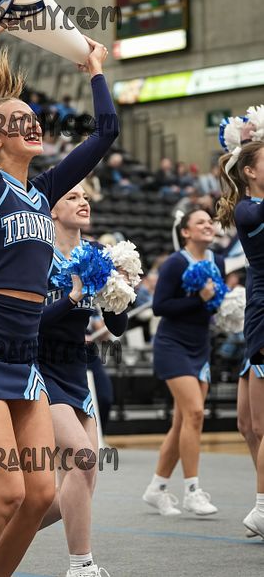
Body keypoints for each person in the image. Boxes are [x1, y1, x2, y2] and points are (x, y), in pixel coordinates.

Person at [0, 18, 118, 577]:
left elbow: (105, 133)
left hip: (24, 357)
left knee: (40, 494)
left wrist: (94, 72)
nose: (34, 124)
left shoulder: (42, 194)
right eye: (19, 121)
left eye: (34, 117)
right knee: (6, 496)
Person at [38, 184, 127, 577]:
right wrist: (72, 297)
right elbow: (27, 323)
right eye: (72, 197)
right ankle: (82, 566)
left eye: (86, 196)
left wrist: (120, 290)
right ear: (52, 210)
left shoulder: (95, 255)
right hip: (39, 365)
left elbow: (117, 326)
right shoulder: (37, 253)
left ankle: (7, 530)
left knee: (84, 477)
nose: (83, 202)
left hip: (76, 368)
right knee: (84, 459)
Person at [142, 208, 225, 516]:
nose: (208, 225)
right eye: (200, 221)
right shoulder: (176, 262)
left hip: (200, 346)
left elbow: (210, 307)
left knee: (183, 423)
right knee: (195, 413)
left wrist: (222, 305)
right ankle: (192, 491)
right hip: (172, 345)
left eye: (210, 221)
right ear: (186, 232)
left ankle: (156, 488)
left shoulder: (217, 260)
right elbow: (160, 306)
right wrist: (198, 299)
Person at [217, 138, 264, 538]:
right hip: (262, 315)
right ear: (249, 172)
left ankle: (262, 502)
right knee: (254, 425)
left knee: (252, 424)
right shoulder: (248, 208)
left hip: (257, 312)